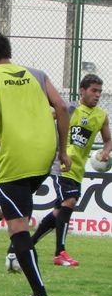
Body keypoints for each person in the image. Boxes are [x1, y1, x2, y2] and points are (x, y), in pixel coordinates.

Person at [0, 30, 71, 296]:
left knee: (17, 228)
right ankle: (17, 252)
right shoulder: (35, 74)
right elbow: (62, 108)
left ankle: (40, 295)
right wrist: (62, 151)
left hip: (14, 156)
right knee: (18, 212)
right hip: (43, 154)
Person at [31, 74, 111, 266]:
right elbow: (40, 122)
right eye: (94, 90)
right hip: (61, 164)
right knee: (70, 201)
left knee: (60, 210)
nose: (97, 95)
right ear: (82, 91)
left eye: (100, 91)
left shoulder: (101, 116)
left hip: (78, 170)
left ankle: (27, 244)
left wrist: (106, 152)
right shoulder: (68, 109)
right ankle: (60, 252)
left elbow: (108, 140)